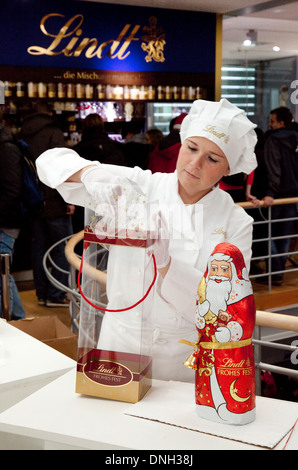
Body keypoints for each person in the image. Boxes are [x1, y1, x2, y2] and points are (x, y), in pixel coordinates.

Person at [36, 98, 257, 382]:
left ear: (228, 169)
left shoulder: (235, 222)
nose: (195, 163)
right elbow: (49, 161)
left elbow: (222, 308)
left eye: (212, 159)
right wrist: (91, 173)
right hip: (119, 343)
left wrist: (166, 264)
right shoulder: (141, 187)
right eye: (191, 148)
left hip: (181, 358)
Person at [19, 101, 74, 307]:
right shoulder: (54, 132)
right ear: (49, 113)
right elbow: (62, 169)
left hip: (33, 202)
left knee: (39, 248)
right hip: (54, 201)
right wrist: (67, 199)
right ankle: (56, 294)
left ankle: (42, 294)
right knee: (62, 248)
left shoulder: (23, 133)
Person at [258, 106, 298, 285]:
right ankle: (278, 272)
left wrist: (270, 192)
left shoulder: (272, 140)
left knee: (268, 233)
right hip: (293, 195)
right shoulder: (296, 138)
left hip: (276, 195)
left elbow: (274, 168)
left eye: (272, 121)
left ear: (281, 123)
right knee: (284, 234)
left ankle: (275, 271)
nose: (269, 124)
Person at [0, 117, 26, 319]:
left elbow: (12, 191)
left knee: (3, 275)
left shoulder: (7, 148)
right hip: (5, 220)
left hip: (5, 223)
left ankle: (19, 322)